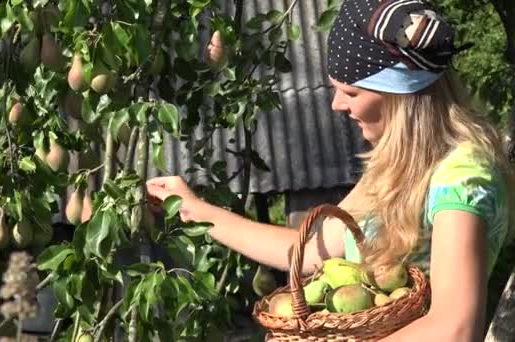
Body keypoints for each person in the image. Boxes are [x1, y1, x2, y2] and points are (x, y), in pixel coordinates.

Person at [146, 0, 515, 340]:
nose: (337, 104)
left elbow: (454, 326)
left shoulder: (462, 178)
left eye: (351, 92)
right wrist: (196, 211)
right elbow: (311, 252)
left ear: (402, 96)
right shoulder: (400, 165)